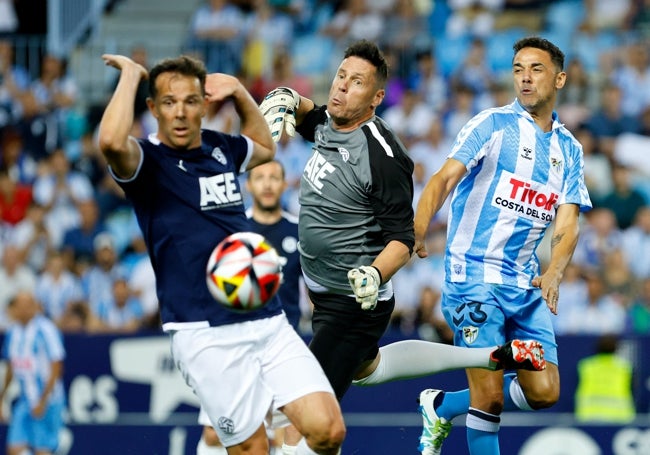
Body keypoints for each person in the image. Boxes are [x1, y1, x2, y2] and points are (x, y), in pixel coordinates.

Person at [260, 39, 546, 453]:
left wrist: (374, 274)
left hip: (354, 303)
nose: (341, 87)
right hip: (324, 292)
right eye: (341, 77)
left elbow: (403, 237)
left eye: (356, 83)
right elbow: (309, 116)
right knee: (367, 369)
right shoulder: (330, 120)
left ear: (376, 98)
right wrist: (289, 97)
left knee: (298, 425)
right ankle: (491, 356)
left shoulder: (383, 156)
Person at [97, 53, 345, 454]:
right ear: (153, 109)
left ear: (203, 105)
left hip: (265, 317)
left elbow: (265, 146)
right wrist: (131, 76)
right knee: (250, 449)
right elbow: (109, 141)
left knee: (327, 430)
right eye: (168, 102)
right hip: (204, 333)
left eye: (190, 101)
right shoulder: (148, 162)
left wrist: (239, 92)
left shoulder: (220, 147)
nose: (180, 112)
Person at [412, 36, 592, 455]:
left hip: (524, 284)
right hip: (472, 277)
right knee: (489, 397)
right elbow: (442, 179)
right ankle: (463, 402)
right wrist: (417, 227)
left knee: (545, 392)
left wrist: (555, 271)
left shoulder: (569, 149)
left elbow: (568, 219)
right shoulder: (491, 125)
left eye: (536, 69)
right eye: (517, 70)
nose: (525, 79)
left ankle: (441, 405)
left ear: (560, 78)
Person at [197, 159, 303, 454]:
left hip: (284, 347)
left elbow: (318, 293)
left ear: (284, 184)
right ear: (248, 185)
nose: (267, 184)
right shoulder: (234, 233)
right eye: (260, 177)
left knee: (295, 433)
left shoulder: (300, 230)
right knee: (215, 435)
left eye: (274, 178)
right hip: (238, 346)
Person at [0, 290, 66, 455]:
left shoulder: (46, 329)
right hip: (24, 399)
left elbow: (57, 366)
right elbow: (10, 367)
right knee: (14, 448)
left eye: (27, 306)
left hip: (48, 399)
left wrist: (43, 400)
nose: (23, 310)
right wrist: (2, 397)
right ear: (14, 308)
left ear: (34, 307)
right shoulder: (12, 332)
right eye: (19, 306)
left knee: (42, 449)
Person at [574, 333, 635, 424]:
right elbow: (633, 389)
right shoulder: (625, 367)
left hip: (589, 415)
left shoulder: (586, 366)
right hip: (620, 417)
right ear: (616, 349)